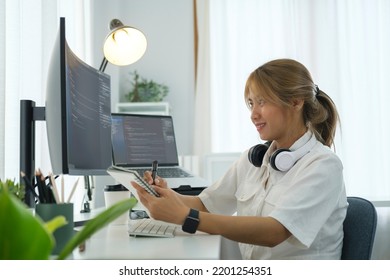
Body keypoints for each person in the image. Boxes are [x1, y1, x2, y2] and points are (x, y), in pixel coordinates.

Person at [131, 58, 348, 260]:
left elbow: (275, 231)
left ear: (295, 102)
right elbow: (207, 204)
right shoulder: (255, 160)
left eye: (262, 102)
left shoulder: (323, 165)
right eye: (251, 104)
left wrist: (186, 217)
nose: (253, 115)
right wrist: (167, 196)